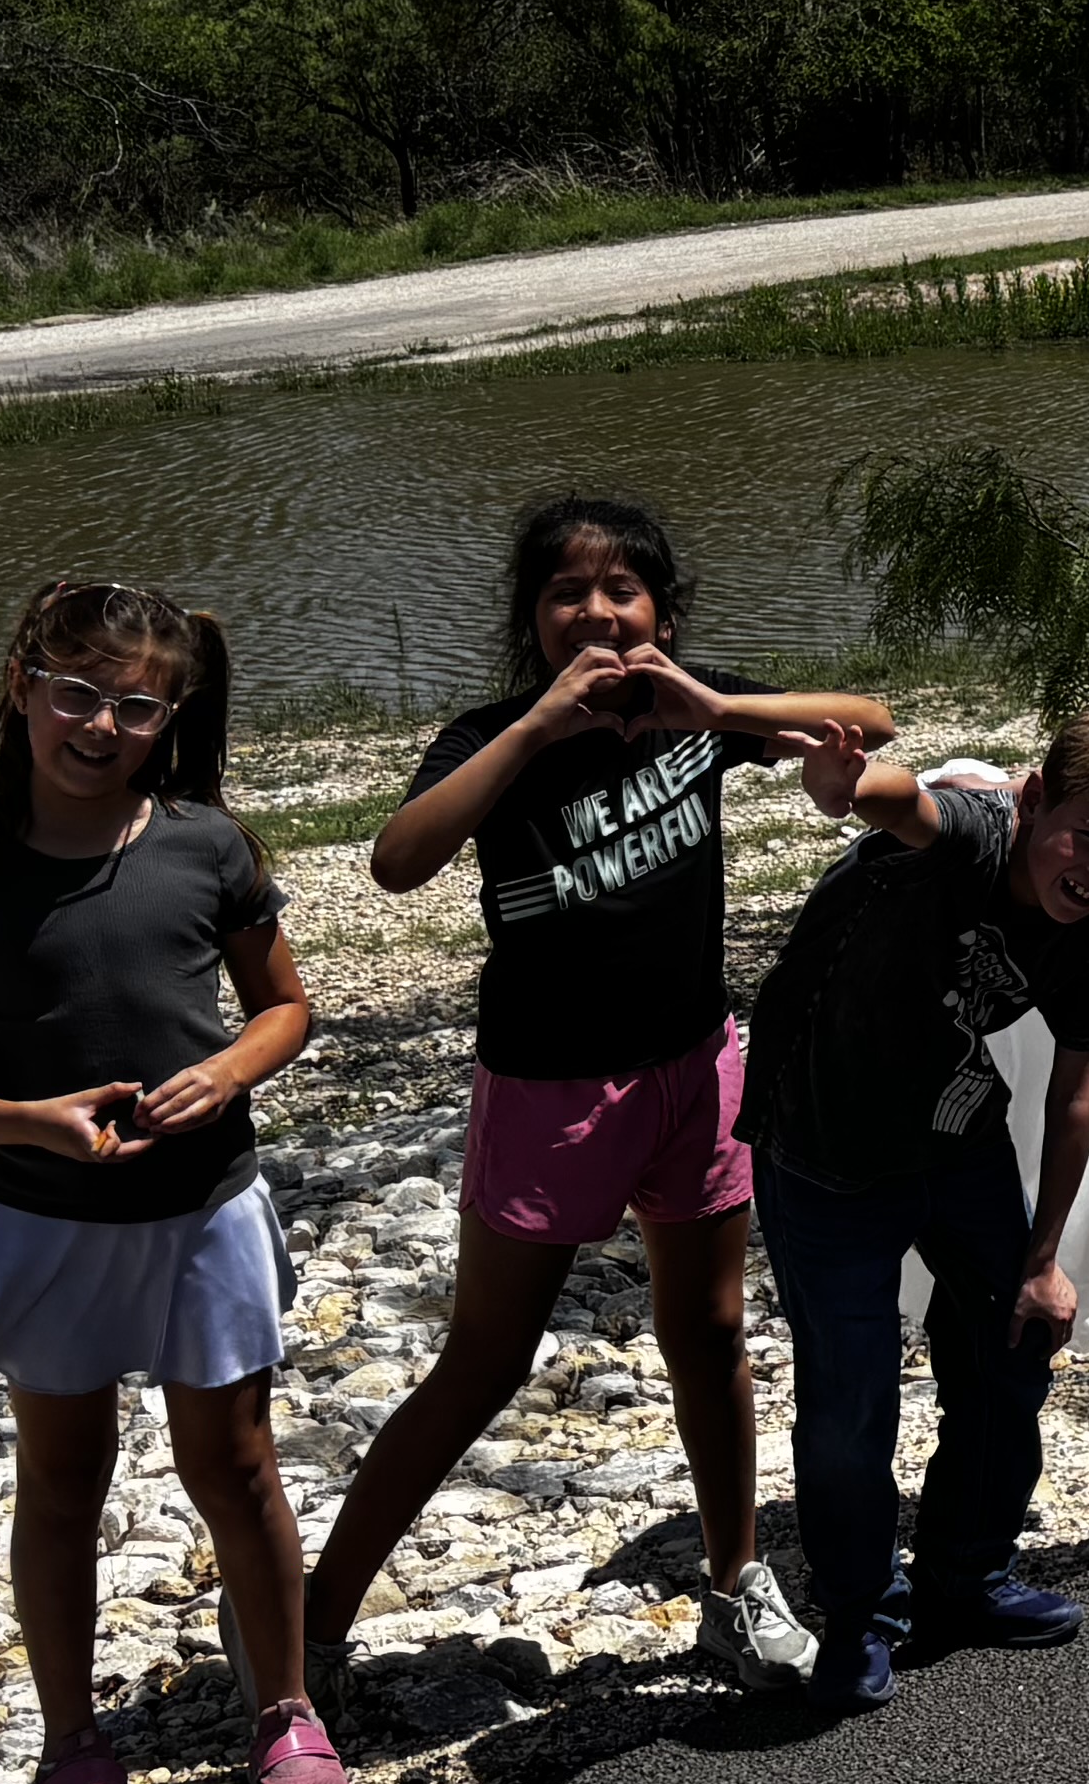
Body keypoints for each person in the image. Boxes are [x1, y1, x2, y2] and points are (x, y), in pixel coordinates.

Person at [308, 496, 893, 1703]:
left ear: (661, 614)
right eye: (568, 592)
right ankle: (308, 1620)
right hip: (547, 1086)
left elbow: (871, 725)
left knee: (712, 1334)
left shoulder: (698, 710)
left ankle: (733, 1586)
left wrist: (721, 712)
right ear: (532, 621)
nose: (597, 611)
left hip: (693, 1067)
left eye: (622, 590)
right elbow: (398, 860)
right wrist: (530, 731)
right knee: (486, 1357)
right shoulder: (497, 734)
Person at [0, 580, 351, 1784]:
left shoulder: (208, 844)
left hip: (202, 1209)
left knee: (238, 1465)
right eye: (77, 693)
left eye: (136, 705)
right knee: (65, 1484)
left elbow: (285, 1010)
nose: (100, 724)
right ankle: (74, 1746)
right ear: (22, 687)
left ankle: (287, 1712)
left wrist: (230, 1072)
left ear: (169, 715)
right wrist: (31, 1122)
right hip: (46, 1224)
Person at [736, 707, 1089, 1706]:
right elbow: (906, 802)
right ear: (1033, 801)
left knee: (1014, 1340)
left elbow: (1077, 1092)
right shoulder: (979, 830)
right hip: (825, 1143)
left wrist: (1043, 1257)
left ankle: (967, 1572)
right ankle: (861, 1612)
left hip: (954, 1132)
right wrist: (843, 787)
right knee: (853, 1394)